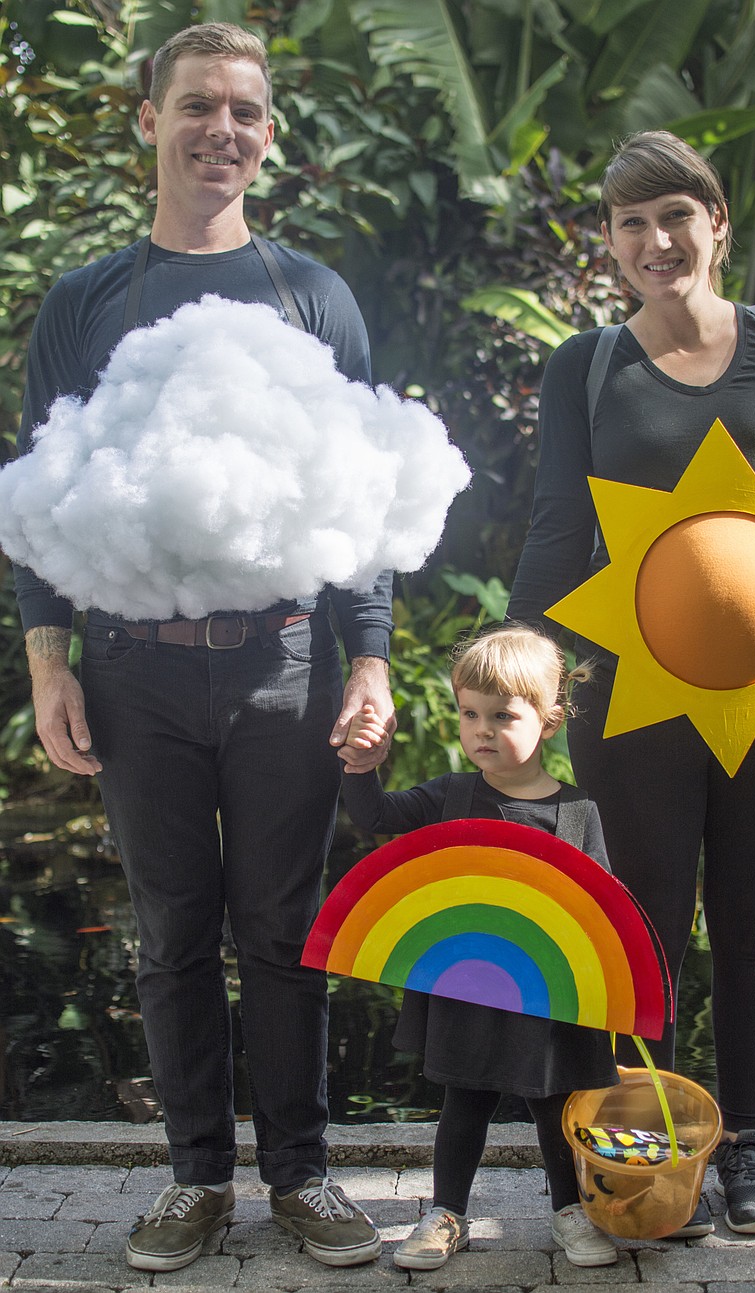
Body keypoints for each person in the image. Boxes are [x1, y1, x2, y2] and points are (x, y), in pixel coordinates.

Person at [13, 22, 396, 1274]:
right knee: (173, 933)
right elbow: (37, 499)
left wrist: (370, 659)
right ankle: (194, 1182)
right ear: (150, 121)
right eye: (195, 105)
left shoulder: (311, 295)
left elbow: (363, 502)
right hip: (133, 670)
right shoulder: (85, 301)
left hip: (284, 661)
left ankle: (302, 1176)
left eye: (241, 110)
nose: (218, 129)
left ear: (267, 136)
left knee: (284, 930)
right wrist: (49, 664)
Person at [507, 129, 755, 1238]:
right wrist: (519, 667)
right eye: (632, 223)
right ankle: (649, 1153)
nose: (656, 240)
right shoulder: (587, 364)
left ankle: (747, 1145)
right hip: (629, 700)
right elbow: (557, 525)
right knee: (641, 927)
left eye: (675, 216)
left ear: (716, 225)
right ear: (611, 242)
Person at [340, 624, 621, 1271]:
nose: (482, 730)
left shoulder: (578, 813)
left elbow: (601, 913)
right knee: (464, 1100)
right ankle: (447, 1213)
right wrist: (361, 766)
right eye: (470, 714)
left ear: (549, 720)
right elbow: (376, 816)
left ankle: (570, 1210)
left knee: (555, 1105)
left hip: (549, 994)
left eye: (503, 716)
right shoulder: (452, 796)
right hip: (467, 984)